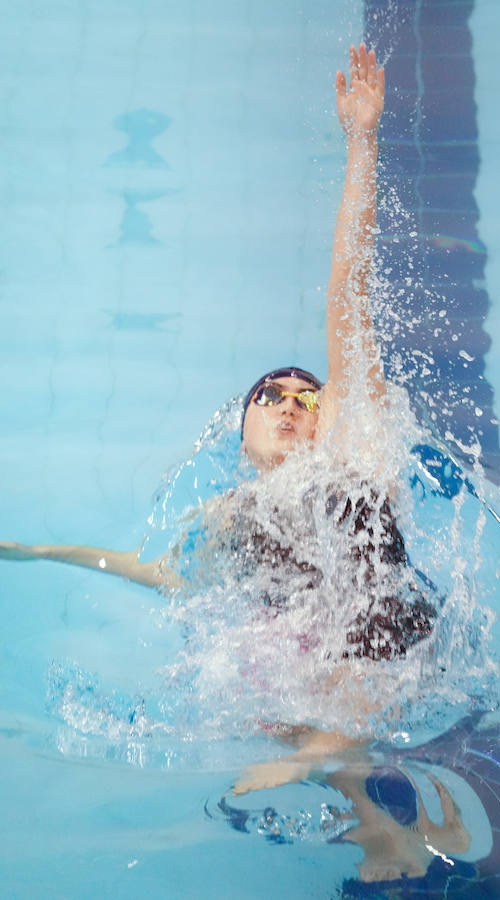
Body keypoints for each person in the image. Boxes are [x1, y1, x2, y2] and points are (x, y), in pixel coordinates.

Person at [0, 44, 457, 881]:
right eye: (270, 396)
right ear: (240, 434)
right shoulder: (228, 516)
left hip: (381, 644)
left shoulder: (350, 454)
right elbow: (164, 576)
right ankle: (376, 819)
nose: (290, 402)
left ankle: (345, 768)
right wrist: (30, 553)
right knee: (250, 660)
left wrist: (363, 144)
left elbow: (347, 293)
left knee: (360, 623)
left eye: (305, 396)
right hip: (303, 668)